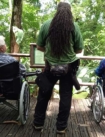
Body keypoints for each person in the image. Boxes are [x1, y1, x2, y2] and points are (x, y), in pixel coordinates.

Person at [33, 2, 84, 134]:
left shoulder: (46, 24)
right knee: (66, 97)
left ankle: (38, 124)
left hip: (50, 67)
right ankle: (61, 127)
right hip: (69, 68)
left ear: (57, 11)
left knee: (43, 94)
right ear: (69, 11)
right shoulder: (74, 26)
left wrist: (50, 52)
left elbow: (39, 46)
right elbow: (79, 49)